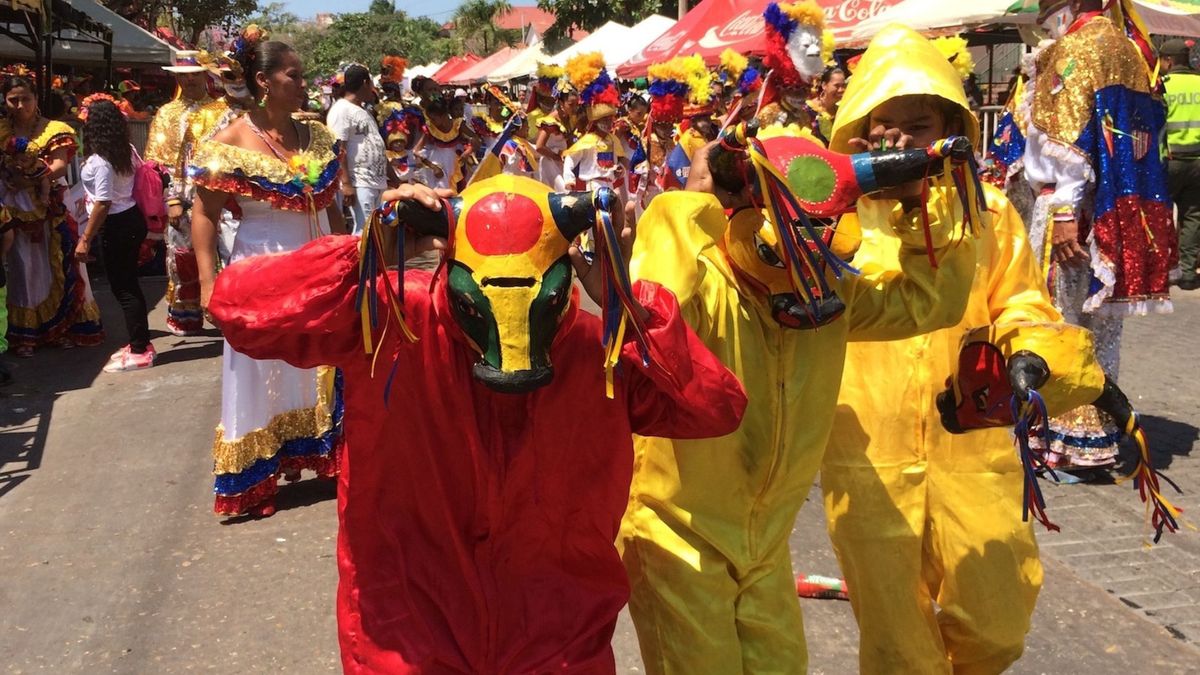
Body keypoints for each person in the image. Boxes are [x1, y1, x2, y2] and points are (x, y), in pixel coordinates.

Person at [208, 175, 748, 672]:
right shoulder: (391, 322)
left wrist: (631, 309)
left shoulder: (598, 352)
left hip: (558, 633)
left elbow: (716, 408)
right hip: (408, 632)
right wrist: (361, 255)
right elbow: (238, 308)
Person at [618, 13, 983, 672]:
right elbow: (654, 314)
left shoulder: (830, 292)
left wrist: (917, 200)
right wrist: (692, 201)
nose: (804, 260)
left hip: (766, 545)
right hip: (678, 538)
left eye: (824, 234)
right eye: (791, 237)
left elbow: (935, 298)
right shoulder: (706, 273)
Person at [820, 25, 1060, 674]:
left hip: (974, 452)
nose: (899, 139)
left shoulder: (990, 215)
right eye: (883, 123)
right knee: (898, 647)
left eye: (918, 123)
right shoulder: (836, 229)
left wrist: (1030, 353)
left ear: (953, 124)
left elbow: (1023, 303)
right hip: (866, 462)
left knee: (997, 625)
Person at [189, 39, 348, 518]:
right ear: (264, 81)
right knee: (260, 369)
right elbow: (204, 214)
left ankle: (324, 456)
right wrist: (207, 283)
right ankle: (256, 481)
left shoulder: (314, 136)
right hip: (260, 267)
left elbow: (332, 205)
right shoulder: (230, 141)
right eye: (294, 76)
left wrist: (348, 257)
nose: (303, 85)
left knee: (319, 362)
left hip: (317, 263)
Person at [1021, 0, 1176, 473]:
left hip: (1071, 210)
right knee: (1102, 324)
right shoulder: (1131, 50)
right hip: (1115, 209)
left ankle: (1064, 432)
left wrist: (1066, 208)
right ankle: (1100, 429)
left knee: (1060, 316)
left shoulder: (1076, 49)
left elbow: (1064, 135)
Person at [1, 68, 104, 356]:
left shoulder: (54, 129)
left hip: (51, 205)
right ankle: (26, 333)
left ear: (36, 98)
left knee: (56, 264)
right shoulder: (2, 131)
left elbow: (59, 165)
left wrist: (33, 177)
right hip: (12, 204)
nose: (19, 106)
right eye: (12, 100)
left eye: (24, 99)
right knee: (22, 267)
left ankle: (60, 327)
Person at [145, 50, 226, 336]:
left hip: (219, 189)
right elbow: (159, 164)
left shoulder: (221, 111)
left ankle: (226, 312)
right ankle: (187, 314)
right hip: (180, 190)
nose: (189, 81)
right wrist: (172, 200)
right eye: (183, 76)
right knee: (182, 256)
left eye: (194, 75)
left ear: (205, 75)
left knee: (225, 250)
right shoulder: (167, 113)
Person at [77, 99, 156, 372]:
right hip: (130, 218)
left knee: (124, 288)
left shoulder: (101, 162)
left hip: (117, 224)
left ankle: (140, 349)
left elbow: (102, 202)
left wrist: (85, 238)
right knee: (127, 284)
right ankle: (139, 342)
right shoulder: (127, 151)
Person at [327, 63, 387, 235]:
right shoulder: (341, 110)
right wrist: (346, 184)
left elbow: (377, 144)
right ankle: (359, 262)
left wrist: (394, 179)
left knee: (377, 230)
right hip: (359, 182)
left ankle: (373, 262)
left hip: (377, 182)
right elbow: (339, 149)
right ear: (365, 83)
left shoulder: (364, 111)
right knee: (365, 230)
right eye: (371, 84)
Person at [757, 2, 830, 141]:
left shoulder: (805, 114)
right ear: (782, 89)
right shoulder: (770, 113)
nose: (800, 96)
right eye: (795, 89)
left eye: (805, 90)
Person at [1162, 38, 1200, 290]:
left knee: (1162, 215)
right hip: (1198, 161)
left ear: (1168, 61)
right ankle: (1187, 273)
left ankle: (1163, 270)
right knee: (1193, 216)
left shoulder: (1163, 85)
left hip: (1169, 161)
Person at [562, 53, 626, 191]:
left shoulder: (613, 139)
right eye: (604, 119)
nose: (608, 123)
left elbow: (618, 162)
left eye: (610, 119)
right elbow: (570, 159)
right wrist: (569, 180)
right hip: (593, 186)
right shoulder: (587, 140)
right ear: (596, 121)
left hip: (610, 186)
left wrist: (620, 170)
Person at [534, 88, 578, 191]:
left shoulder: (569, 118)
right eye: (571, 105)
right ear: (561, 103)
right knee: (562, 195)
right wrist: (557, 156)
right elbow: (539, 147)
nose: (575, 108)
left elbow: (568, 144)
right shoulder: (550, 121)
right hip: (549, 162)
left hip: (563, 163)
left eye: (577, 104)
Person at [805, 66, 846, 145]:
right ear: (824, 85)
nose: (841, 90)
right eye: (836, 86)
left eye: (843, 85)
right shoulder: (807, 109)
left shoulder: (841, 110)